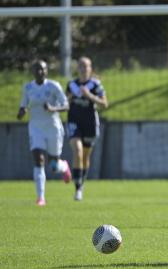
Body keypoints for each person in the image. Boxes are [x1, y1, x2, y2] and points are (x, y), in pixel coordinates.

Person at [17, 59, 71, 206]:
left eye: (43, 69)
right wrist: (22, 112)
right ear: (33, 72)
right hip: (36, 128)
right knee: (39, 160)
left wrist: (53, 109)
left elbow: (66, 105)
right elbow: (22, 108)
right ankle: (41, 198)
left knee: (53, 165)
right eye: (37, 69)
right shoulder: (28, 87)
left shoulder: (53, 86)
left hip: (53, 127)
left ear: (47, 71)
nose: (40, 72)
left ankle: (64, 166)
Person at [66, 57, 108, 201]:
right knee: (77, 151)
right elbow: (65, 103)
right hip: (74, 122)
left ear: (91, 68)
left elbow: (104, 103)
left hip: (90, 124)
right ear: (77, 68)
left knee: (85, 156)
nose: (84, 69)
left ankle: (81, 183)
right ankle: (77, 189)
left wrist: (89, 95)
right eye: (81, 66)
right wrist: (68, 98)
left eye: (87, 66)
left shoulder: (95, 85)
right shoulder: (71, 85)